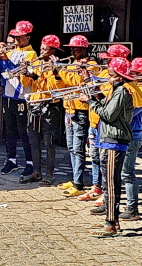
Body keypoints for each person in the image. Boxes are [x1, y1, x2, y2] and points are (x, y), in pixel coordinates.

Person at [82, 57, 135, 238]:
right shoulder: (116, 91)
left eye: (111, 76)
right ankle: (114, 221)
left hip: (114, 141)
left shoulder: (121, 91)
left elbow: (108, 115)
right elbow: (110, 108)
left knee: (110, 184)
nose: (108, 78)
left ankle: (110, 223)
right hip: (110, 139)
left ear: (120, 77)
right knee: (109, 182)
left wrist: (89, 102)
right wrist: (95, 94)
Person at [0, 20, 37, 182]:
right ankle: (11, 159)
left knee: (24, 131)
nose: (16, 41)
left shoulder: (30, 53)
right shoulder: (9, 52)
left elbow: (18, 67)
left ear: (27, 38)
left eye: (19, 38)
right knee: (10, 130)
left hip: (22, 96)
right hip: (7, 96)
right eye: (14, 38)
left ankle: (29, 162)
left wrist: (5, 55)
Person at [78, 43, 129, 204]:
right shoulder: (108, 75)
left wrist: (90, 94)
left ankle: (109, 199)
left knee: (111, 168)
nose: (107, 64)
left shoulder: (121, 86)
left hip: (111, 131)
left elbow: (106, 105)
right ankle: (97, 187)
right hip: (97, 123)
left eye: (110, 60)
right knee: (95, 157)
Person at [21, 35, 65, 185]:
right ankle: (36, 172)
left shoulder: (58, 66)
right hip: (34, 104)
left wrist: (52, 71)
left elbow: (56, 88)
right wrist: (25, 72)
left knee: (48, 141)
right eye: (41, 48)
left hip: (49, 105)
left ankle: (49, 174)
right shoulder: (36, 63)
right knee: (33, 140)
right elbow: (26, 83)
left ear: (53, 51)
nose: (41, 51)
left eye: (45, 49)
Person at [57, 35, 94, 197]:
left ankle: (79, 183)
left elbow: (76, 81)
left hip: (81, 110)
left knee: (78, 149)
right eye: (71, 48)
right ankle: (74, 179)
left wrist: (60, 70)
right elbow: (62, 85)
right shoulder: (72, 64)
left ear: (84, 49)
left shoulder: (91, 65)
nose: (71, 50)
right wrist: (57, 73)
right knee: (71, 148)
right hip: (69, 108)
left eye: (75, 48)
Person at [120, 57, 142, 220]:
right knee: (120, 173)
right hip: (126, 134)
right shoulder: (137, 87)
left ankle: (132, 209)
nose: (130, 75)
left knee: (127, 174)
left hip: (132, 134)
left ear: (141, 74)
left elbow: (129, 112)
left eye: (133, 73)